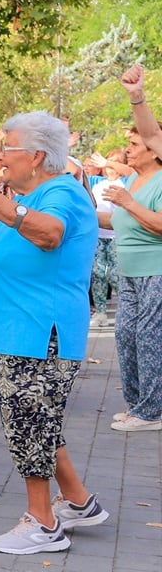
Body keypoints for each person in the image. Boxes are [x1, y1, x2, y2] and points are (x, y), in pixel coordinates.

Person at [0, 110, 107, 554]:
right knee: (38, 423)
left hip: (38, 330)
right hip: (17, 328)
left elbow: (50, 235)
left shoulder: (62, 193)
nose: (0, 159)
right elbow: (6, 233)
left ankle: (43, 524)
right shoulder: (33, 194)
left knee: (30, 425)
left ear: (36, 156)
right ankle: (77, 502)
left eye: (7, 150)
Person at [105, 64, 162, 432]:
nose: (129, 146)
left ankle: (151, 411)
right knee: (125, 333)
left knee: (149, 337)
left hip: (155, 270)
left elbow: (157, 224)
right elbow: (117, 220)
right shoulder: (132, 178)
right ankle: (137, 404)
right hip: (128, 271)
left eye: (134, 143)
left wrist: (136, 96)